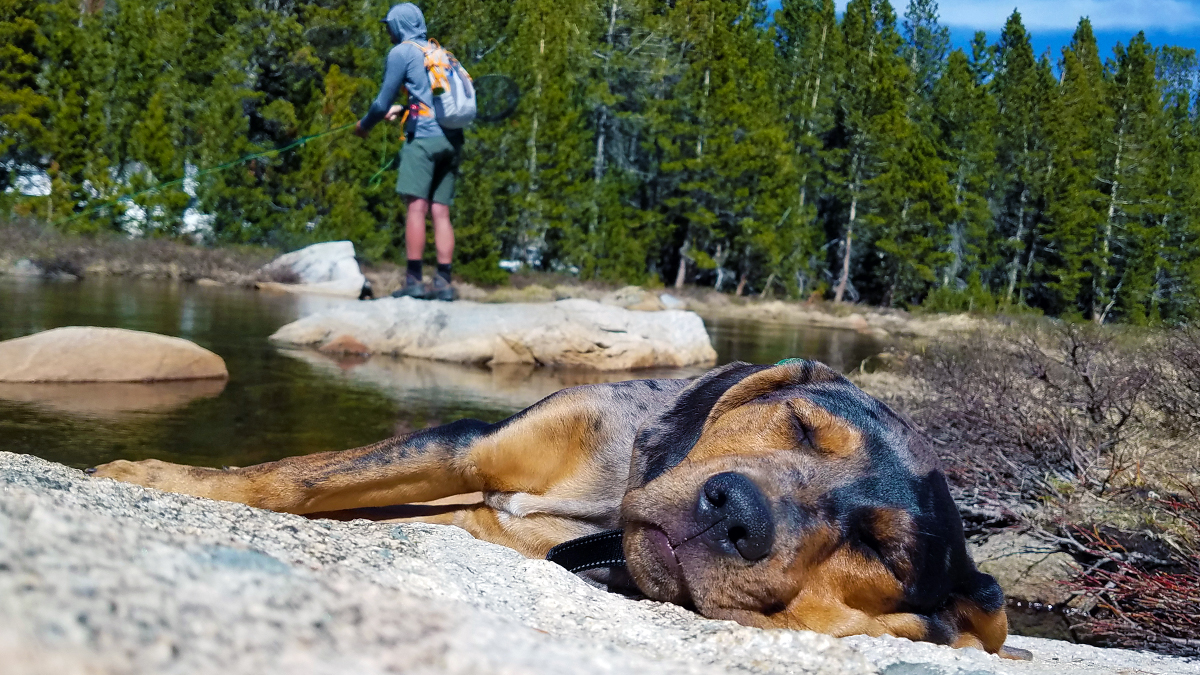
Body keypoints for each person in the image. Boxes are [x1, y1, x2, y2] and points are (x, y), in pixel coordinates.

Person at [354, 2, 462, 301]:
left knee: (416, 208)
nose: (387, 30)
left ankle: (413, 280)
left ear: (399, 26)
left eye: (389, 25)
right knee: (441, 212)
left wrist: (364, 126)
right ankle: (443, 282)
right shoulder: (440, 53)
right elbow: (432, 98)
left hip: (425, 139)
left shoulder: (402, 52)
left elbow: (379, 103)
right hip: (452, 140)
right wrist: (403, 108)